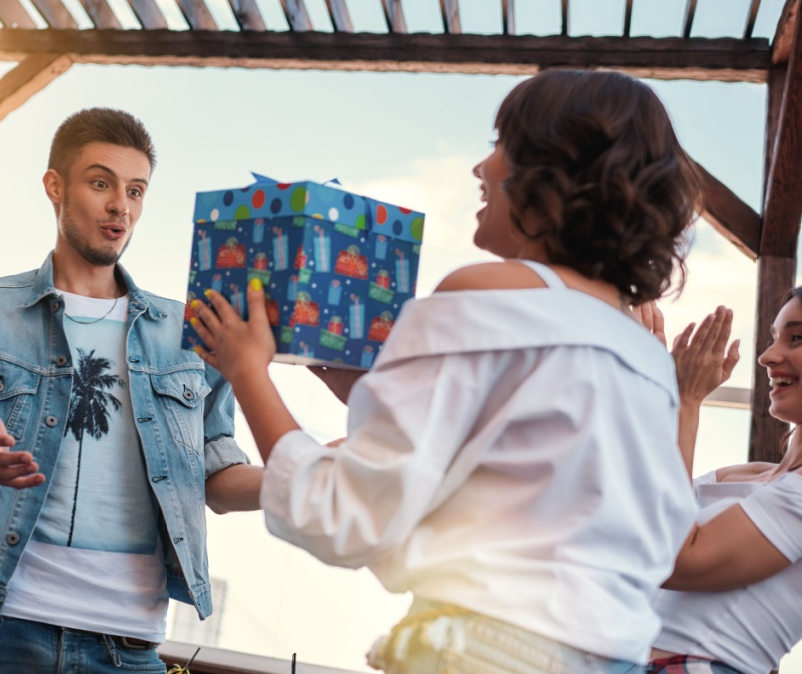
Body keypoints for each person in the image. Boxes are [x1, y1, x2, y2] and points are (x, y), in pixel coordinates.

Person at [191, 69, 701, 673]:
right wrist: (370, 392)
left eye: (500, 142)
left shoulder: (480, 293)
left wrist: (249, 372)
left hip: (482, 652)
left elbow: (344, 515)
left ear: (548, 174)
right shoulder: (641, 350)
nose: (481, 169)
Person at [0, 107, 263, 673]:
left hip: (130, 644)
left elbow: (215, 477)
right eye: (101, 183)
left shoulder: (191, 335)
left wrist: (298, 476)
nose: (122, 206)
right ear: (54, 186)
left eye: (136, 190)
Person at [637, 297, 802, 674]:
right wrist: (652, 385)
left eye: (797, 339)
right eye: (775, 338)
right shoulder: (742, 475)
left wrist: (686, 401)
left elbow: (676, 559)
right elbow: (639, 516)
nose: (767, 356)